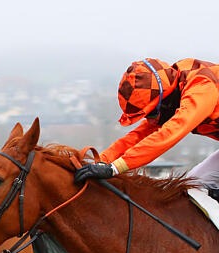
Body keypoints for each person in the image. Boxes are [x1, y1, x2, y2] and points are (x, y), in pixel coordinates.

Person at [74, 58, 219, 192]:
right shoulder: (173, 88)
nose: (150, 120)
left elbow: (172, 132)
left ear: (164, 99)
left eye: (151, 114)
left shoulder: (201, 86)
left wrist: (115, 168)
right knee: (192, 188)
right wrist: (99, 161)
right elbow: (138, 136)